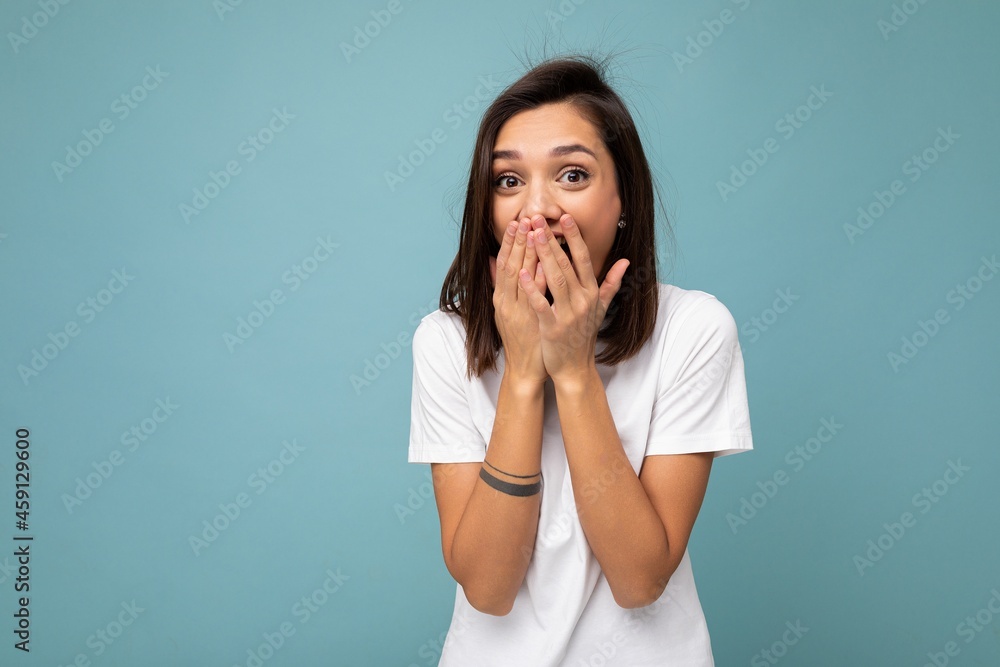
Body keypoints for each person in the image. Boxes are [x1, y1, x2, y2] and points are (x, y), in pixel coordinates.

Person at [407, 53, 753, 666]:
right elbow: (487, 589)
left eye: (572, 174)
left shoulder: (694, 330)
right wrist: (520, 374)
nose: (534, 209)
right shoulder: (444, 341)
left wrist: (571, 369)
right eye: (508, 181)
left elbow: (639, 579)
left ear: (623, 200)